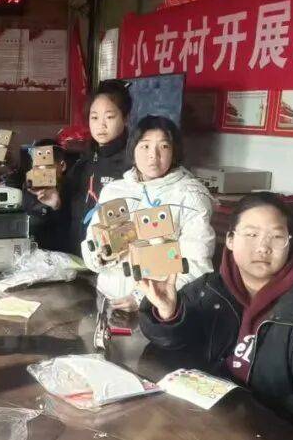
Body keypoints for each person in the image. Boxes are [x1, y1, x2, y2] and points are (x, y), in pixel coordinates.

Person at [136, 192, 293, 440]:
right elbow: (174, 342)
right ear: (231, 240)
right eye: (251, 234)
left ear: (290, 243)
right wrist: (168, 312)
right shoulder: (211, 289)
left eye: (276, 237)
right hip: (208, 428)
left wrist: (240, 420)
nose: (263, 247)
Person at [82, 115, 215, 308]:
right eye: (145, 146)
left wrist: (143, 299)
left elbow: (197, 264)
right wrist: (100, 257)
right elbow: (90, 244)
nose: (153, 155)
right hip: (107, 300)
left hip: (159, 309)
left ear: (174, 152)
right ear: (133, 150)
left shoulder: (190, 196)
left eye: (164, 146)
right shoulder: (114, 191)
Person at [27, 80, 133, 255]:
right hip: (77, 259)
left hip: (111, 259)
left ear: (126, 118)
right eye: (94, 117)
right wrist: (56, 205)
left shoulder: (132, 165)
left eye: (109, 117)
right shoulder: (83, 164)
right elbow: (66, 220)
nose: (101, 125)